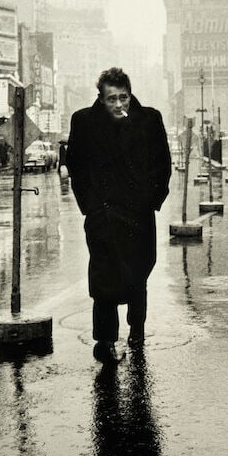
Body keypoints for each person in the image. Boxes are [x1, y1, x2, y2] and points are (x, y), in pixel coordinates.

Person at [66, 67, 171, 363]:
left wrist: (151, 199)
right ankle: (105, 341)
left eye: (123, 97)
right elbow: (76, 166)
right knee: (104, 278)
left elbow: (163, 162)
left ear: (130, 93)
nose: (118, 105)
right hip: (104, 215)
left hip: (138, 214)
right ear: (100, 98)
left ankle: (136, 327)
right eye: (111, 99)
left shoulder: (149, 119)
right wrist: (90, 206)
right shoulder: (84, 122)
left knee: (139, 272)